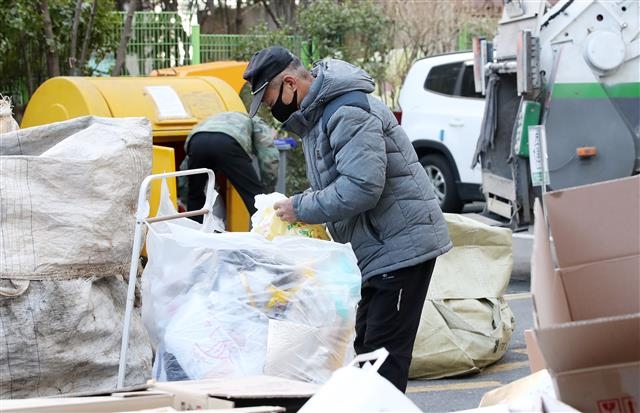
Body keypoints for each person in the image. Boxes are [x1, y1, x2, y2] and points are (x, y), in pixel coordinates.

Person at [242, 46, 453, 392]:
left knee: (383, 362)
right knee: (368, 353)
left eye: (269, 100)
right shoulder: (320, 116)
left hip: (398, 246)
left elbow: (362, 187)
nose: (271, 109)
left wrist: (303, 207)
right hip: (377, 247)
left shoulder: (347, 112)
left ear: (290, 84)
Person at [180, 111, 279, 223]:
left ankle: (194, 233)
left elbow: (185, 168)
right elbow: (269, 157)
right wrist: (267, 191)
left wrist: (183, 194)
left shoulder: (214, 118)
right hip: (228, 143)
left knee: (195, 195)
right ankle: (267, 232)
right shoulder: (255, 120)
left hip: (196, 141)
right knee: (254, 197)